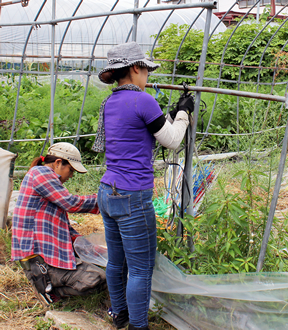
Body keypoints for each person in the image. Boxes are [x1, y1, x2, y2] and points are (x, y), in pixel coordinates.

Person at [93, 41, 194, 330]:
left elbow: (152, 130)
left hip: (108, 191)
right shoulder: (142, 100)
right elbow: (173, 141)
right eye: (146, 70)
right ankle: (139, 326)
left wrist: (174, 116)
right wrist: (184, 113)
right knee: (140, 267)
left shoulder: (111, 101)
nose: (148, 76)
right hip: (132, 196)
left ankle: (119, 315)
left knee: (116, 261)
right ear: (136, 69)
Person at [11, 142, 107, 306]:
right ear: (58, 163)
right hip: (40, 261)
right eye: (71, 170)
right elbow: (70, 203)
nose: (70, 176)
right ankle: (49, 288)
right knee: (98, 278)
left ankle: (49, 288)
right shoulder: (40, 174)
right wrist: (104, 199)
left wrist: (88, 246)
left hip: (43, 258)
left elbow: (65, 228)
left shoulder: (45, 181)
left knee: (101, 273)